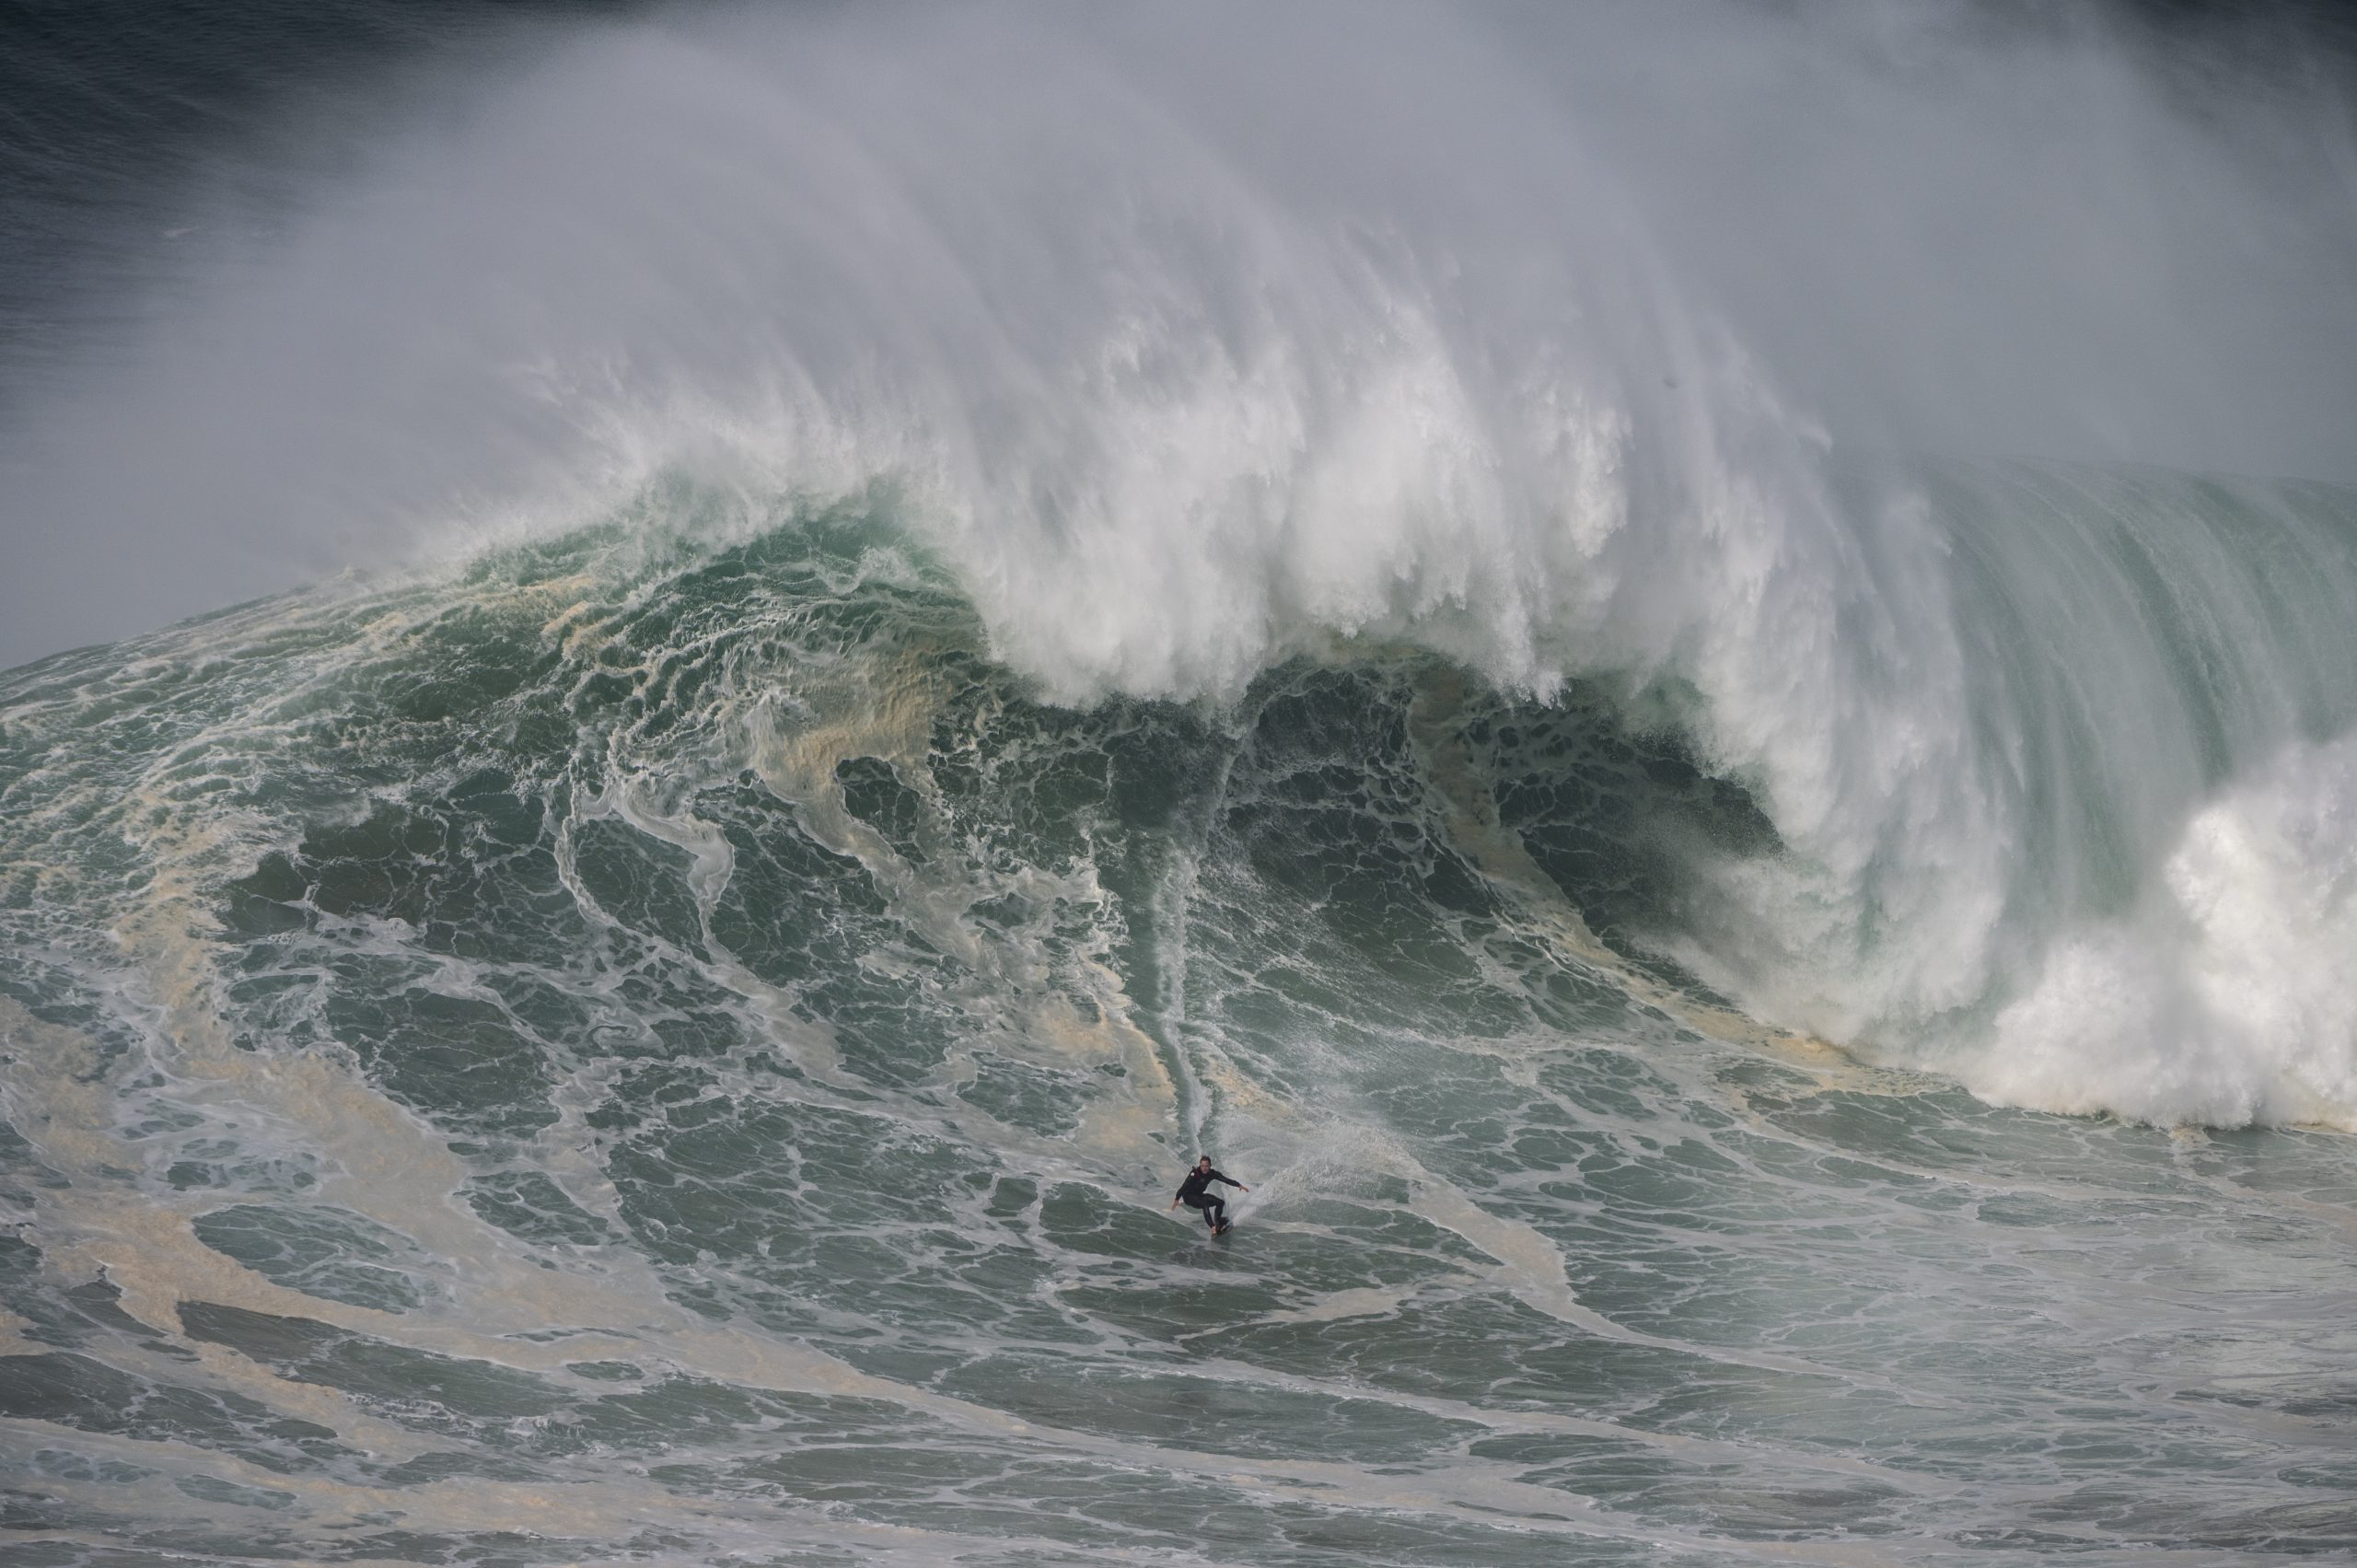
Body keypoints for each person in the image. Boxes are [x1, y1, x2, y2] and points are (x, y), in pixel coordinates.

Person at [1170, 1156, 1248, 1234]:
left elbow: (1225, 1180)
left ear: (1210, 1166)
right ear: (1200, 1165)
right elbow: (1184, 1186)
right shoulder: (1194, 1174)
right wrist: (1177, 1198)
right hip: (1188, 1196)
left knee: (1220, 1202)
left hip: (1199, 1195)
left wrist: (1238, 1185)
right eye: (1202, 1166)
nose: (1204, 1168)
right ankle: (1212, 1227)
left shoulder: (1212, 1173)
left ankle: (1218, 1222)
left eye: (1206, 1166)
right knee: (1205, 1204)